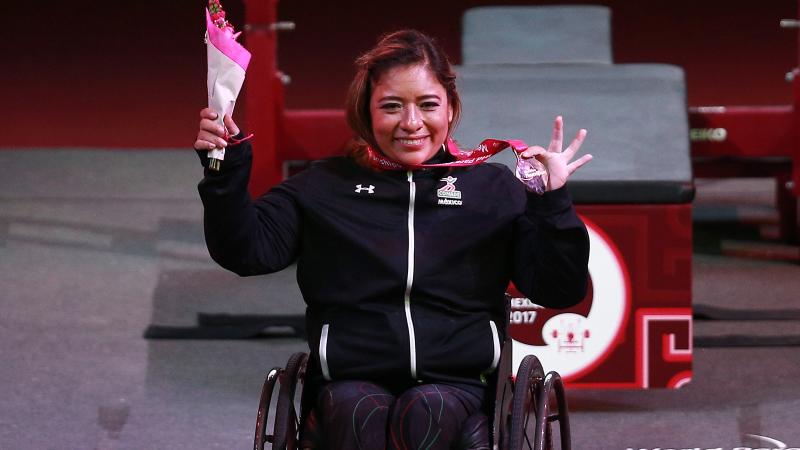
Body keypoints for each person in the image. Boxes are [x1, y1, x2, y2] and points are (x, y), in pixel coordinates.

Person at [194, 29, 591, 450]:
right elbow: (245, 251)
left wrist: (551, 204)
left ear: (451, 108)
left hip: (457, 384)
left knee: (427, 408)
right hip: (349, 380)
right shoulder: (322, 187)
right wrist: (224, 169)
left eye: (427, 105)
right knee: (360, 410)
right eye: (391, 107)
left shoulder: (491, 188)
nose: (411, 123)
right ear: (366, 112)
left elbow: (559, 289)